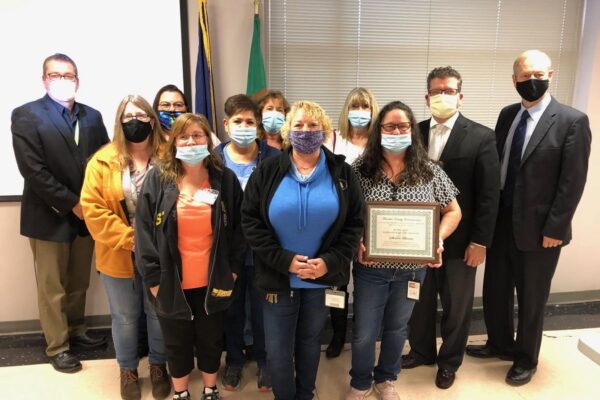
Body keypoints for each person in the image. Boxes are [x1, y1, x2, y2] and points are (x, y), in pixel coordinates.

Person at [465, 50, 592, 386]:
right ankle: (499, 343)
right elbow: (497, 166)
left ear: (550, 74)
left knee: (532, 296)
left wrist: (556, 227)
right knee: (496, 287)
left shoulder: (571, 121)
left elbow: (572, 182)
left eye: (538, 74)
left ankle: (525, 358)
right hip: (502, 220)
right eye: (525, 75)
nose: (531, 81)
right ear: (514, 80)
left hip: (541, 229)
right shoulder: (508, 115)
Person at [241, 100, 365, 400]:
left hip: (320, 279)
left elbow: (354, 224)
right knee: (279, 350)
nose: (306, 131)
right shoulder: (267, 171)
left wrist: (329, 263)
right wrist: (285, 261)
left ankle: (306, 395)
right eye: (298, 125)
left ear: (324, 131)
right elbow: (250, 221)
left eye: (312, 125)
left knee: (310, 344)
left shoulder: (342, 172)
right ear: (287, 132)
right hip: (278, 278)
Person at [346, 101, 462, 400]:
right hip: (371, 267)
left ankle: (386, 379)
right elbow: (347, 212)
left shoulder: (429, 170)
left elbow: (453, 212)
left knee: (397, 329)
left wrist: (436, 239)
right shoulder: (360, 169)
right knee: (364, 332)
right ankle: (360, 382)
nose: (397, 131)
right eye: (389, 126)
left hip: (412, 269)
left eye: (403, 126)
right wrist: (358, 237)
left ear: (412, 130)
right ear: (379, 131)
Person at [401, 67, 500, 389]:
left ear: (460, 96)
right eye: (436, 91)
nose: (442, 96)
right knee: (419, 300)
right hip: (416, 239)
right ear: (426, 97)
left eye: (449, 90)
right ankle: (421, 351)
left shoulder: (483, 137)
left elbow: (488, 195)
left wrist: (480, 242)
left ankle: (449, 361)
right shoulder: (412, 133)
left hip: (461, 241)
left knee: (457, 306)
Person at [136, 113, 245, 400]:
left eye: (198, 135)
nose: (191, 141)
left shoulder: (225, 179)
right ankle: (181, 393)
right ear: (174, 143)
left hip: (213, 280)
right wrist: (153, 279)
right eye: (183, 136)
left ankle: (210, 389)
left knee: (211, 339)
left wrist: (231, 272)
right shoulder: (158, 180)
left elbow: (240, 230)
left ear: (208, 140)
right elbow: (144, 234)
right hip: (170, 282)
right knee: (177, 343)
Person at [11, 53, 109, 373]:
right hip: (49, 215)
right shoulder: (26, 115)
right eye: (56, 75)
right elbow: (33, 171)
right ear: (44, 80)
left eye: (69, 76)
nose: (63, 81)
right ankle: (58, 345)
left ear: (77, 80)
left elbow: (104, 161)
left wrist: (93, 204)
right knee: (52, 287)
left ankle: (77, 330)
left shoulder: (92, 117)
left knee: (79, 281)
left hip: (88, 216)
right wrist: (73, 204)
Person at [80, 95, 171, 400]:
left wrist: (158, 240)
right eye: (128, 116)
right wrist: (133, 240)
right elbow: (92, 209)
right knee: (125, 317)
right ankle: (128, 369)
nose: (135, 121)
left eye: (141, 115)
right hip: (119, 255)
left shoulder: (170, 156)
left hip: (163, 254)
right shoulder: (102, 160)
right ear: (119, 121)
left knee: (159, 313)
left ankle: (159, 365)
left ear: (152, 120)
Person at [214, 94, 279, 392]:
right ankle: (236, 361)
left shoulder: (275, 158)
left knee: (264, 308)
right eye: (237, 121)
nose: (244, 126)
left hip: (263, 250)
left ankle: (266, 363)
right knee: (232, 308)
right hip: (226, 250)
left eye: (250, 121)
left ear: (259, 126)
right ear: (226, 124)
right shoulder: (213, 159)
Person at [325, 87, 379, 359]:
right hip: (340, 223)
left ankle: (365, 333)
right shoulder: (333, 139)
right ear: (346, 111)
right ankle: (337, 335)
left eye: (365, 106)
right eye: (355, 106)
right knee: (338, 281)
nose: (360, 112)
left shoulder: (381, 142)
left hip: (374, 221)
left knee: (370, 279)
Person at [153, 84, 221, 145]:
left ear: (186, 109)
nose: (172, 109)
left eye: (178, 105)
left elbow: (219, 156)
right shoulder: (149, 139)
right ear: (156, 108)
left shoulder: (203, 134)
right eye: (165, 105)